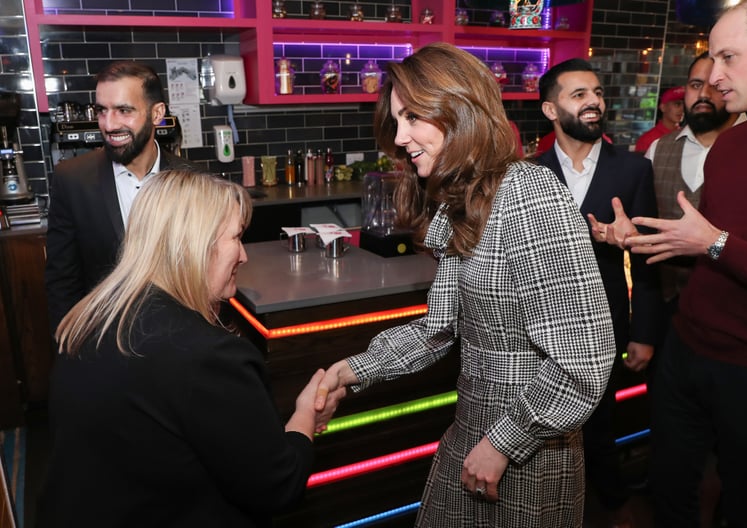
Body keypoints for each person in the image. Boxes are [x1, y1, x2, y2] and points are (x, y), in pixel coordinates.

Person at [314, 43, 616, 527]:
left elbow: (585, 362)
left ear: (459, 109)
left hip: (528, 451)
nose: (401, 137)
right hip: (477, 430)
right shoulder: (470, 199)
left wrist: (503, 443)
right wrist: (349, 371)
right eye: (396, 122)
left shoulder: (528, 197)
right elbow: (439, 328)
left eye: (412, 117)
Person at [36, 169, 345, 527]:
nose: (244, 256)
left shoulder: (92, 317)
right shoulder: (208, 355)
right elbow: (277, 487)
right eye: (237, 238)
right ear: (195, 244)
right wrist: (305, 415)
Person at [619, 0, 747, 525]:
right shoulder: (734, 142)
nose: (714, 78)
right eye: (711, 60)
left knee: (746, 503)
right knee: (670, 488)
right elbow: (709, 241)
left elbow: (721, 243)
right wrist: (651, 239)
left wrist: (713, 242)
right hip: (686, 350)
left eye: (729, 58)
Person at [535, 57, 663, 526]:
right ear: (551, 110)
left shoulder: (632, 171)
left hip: (606, 326)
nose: (594, 103)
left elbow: (648, 261)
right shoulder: (527, 174)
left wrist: (644, 332)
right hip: (538, 327)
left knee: (599, 424)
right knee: (544, 426)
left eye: (597, 94)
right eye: (579, 95)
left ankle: (608, 504)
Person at [45, 60, 197, 334]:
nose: (109, 124)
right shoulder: (72, 180)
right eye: (102, 111)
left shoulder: (192, 179)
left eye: (124, 110)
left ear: (157, 113)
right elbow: (62, 281)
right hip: (104, 342)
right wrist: (70, 348)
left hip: (180, 339)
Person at [645, 52, 740, 307]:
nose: (704, 95)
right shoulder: (658, 150)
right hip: (665, 303)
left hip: (729, 306)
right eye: (696, 85)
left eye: (715, 86)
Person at [633, 85, 685, 153]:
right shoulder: (647, 140)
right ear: (663, 107)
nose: (682, 109)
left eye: (685, 105)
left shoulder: (687, 136)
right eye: (677, 104)